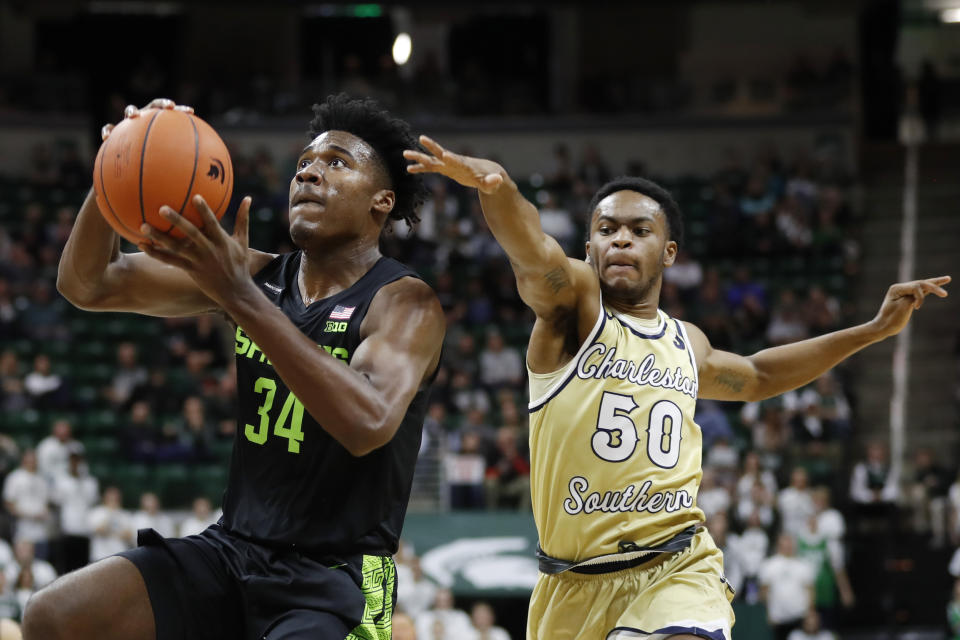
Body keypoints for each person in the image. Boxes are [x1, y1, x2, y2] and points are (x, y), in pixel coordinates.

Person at [405, 136, 951, 639]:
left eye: (639, 230)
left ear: (668, 252)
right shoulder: (573, 312)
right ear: (590, 249)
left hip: (676, 564)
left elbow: (759, 377)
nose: (621, 238)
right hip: (570, 585)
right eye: (606, 229)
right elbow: (531, 250)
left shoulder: (686, 342)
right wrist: (497, 190)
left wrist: (873, 331)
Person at [25, 95, 445, 640]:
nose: (310, 173)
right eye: (303, 165)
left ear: (382, 202)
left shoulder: (405, 303)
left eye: (336, 163)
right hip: (233, 550)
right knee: (54, 616)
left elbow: (367, 424)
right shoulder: (255, 276)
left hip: (335, 574)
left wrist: (241, 298)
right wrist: (115, 169)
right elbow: (88, 284)